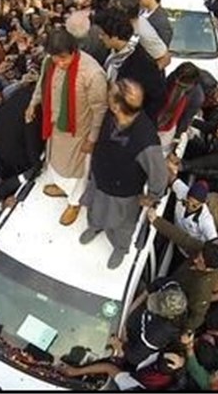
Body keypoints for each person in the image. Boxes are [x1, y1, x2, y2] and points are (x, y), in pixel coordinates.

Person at [79, 79, 168, 269]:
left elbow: (159, 175)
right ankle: (95, 226)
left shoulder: (146, 140)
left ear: (116, 106)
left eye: (110, 94)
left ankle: (120, 247)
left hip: (123, 194)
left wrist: (153, 197)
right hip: (99, 179)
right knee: (95, 209)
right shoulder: (111, 115)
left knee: (123, 226)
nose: (107, 95)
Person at [25, 28, 107, 226]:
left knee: (77, 172)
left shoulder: (92, 73)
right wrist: (33, 104)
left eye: (63, 58)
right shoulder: (49, 62)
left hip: (79, 133)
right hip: (56, 126)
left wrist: (92, 139)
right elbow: (42, 85)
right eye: (56, 58)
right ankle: (63, 187)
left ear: (74, 50)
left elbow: (100, 110)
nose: (60, 63)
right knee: (56, 164)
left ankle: (75, 202)